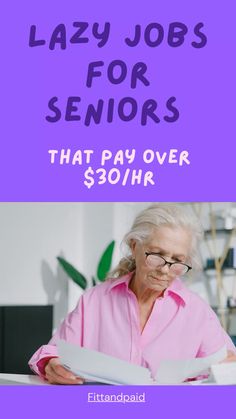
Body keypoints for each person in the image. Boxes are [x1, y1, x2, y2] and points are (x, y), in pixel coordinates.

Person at [29, 204, 236, 384]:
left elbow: (228, 364)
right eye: (157, 255)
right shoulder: (94, 301)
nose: (165, 269)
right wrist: (52, 364)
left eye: (177, 260)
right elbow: (54, 352)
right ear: (134, 246)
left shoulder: (196, 311)